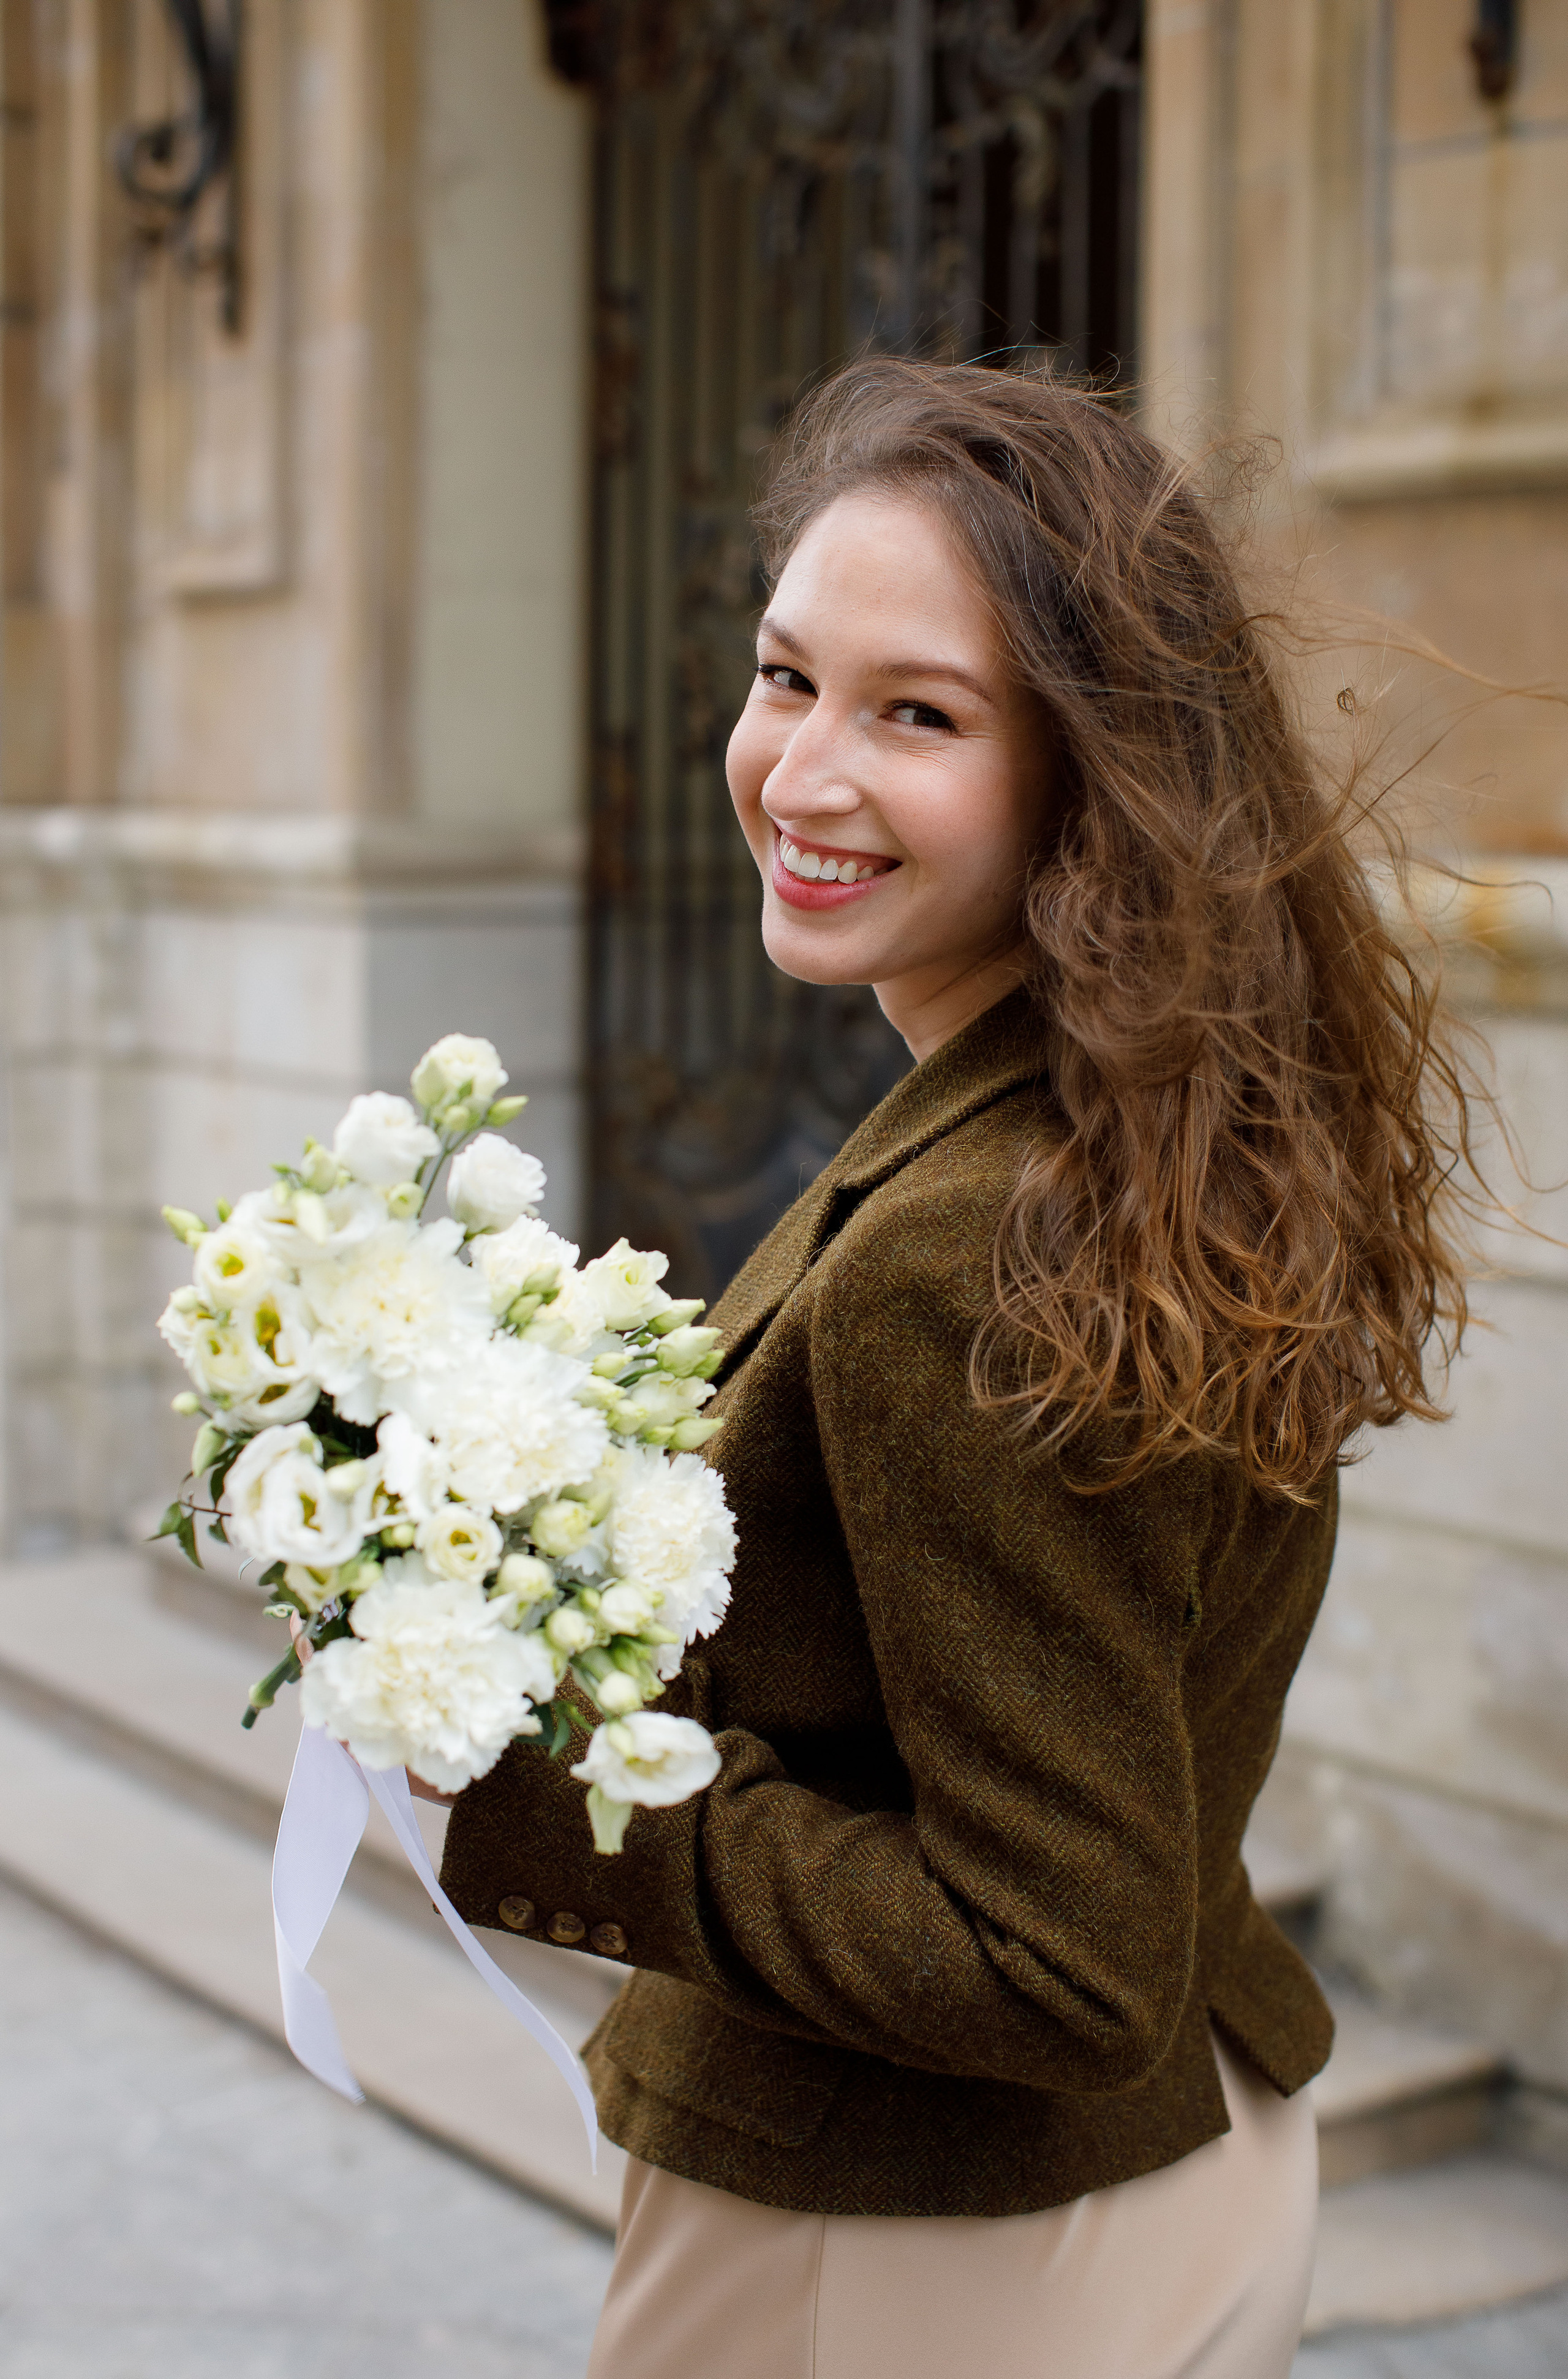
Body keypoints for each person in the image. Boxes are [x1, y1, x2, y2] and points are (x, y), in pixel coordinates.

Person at [436, 358, 1475, 2379]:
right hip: (1147, 2168)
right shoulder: (1128, 1118)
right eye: (786, 677)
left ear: (1096, 774)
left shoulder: (974, 1244)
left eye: (917, 713)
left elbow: (1053, 1954)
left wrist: (546, 1769)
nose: (802, 773)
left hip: (912, 2244)